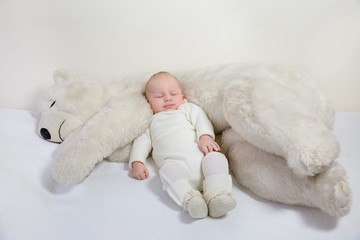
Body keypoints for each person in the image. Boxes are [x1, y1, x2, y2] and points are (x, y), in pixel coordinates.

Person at [129, 71, 236, 218]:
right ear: (148, 102)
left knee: (216, 158)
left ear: (182, 96)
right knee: (167, 170)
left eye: (173, 94)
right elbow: (142, 142)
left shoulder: (187, 109)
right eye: (159, 96)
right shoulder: (151, 121)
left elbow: (201, 120)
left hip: (202, 161)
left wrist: (205, 137)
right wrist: (137, 162)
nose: (167, 99)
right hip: (177, 167)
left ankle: (216, 194)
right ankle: (190, 199)